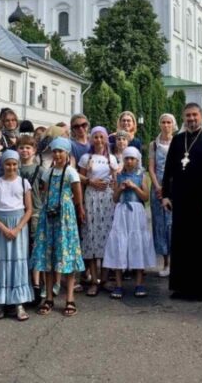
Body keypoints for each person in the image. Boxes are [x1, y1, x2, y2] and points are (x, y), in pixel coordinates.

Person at [161, 103, 202, 300]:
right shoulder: (178, 140)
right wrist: (165, 195)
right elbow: (168, 170)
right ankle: (182, 286)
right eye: (188, 116)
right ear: (183, 118)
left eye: (194, 115)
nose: (191, 119)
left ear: (201, 116)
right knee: (182, 243)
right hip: (181, 200)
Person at [31, 137, 86, 317]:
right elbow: (47, 192)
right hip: (49, 217)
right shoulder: (48, 172)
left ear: (67, 153)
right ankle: (48, 297)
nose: (57, 155)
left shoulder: (71, 173)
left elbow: (77, 197)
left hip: (66, 217)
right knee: (49, 257)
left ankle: (70, 298)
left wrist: (79, 212)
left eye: (60, 151)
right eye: (55, 151)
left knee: (66, 255)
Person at [0, 149, 34, 321]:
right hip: (0, 225)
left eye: (14, 164)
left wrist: (18, 228)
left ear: (18, 165)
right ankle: (1, 303)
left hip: (19, 225)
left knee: (18, 261)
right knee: (1, 261)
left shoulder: (24, 183)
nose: (11, 167)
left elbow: (29, 210)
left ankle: (19, 303)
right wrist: (3, 228)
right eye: (7, 164)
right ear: (2, 165)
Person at [104, 147, 156, 298]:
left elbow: (145, 197)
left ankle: (139, 283)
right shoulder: (119, 176)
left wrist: (134, 187)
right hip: (121, 213)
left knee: (137, 244)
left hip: (136, 213)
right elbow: (114, 198)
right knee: (120, 245)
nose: (129, 161)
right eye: (127, 158)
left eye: (132, 158)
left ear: (137, 160)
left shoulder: (141, 176)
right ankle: (119, 285)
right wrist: (120, 189)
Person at [78, 126, 118, 297]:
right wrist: (90, 181)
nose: (99, 140)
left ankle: (105, 278)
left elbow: (115, 181)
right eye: (96, 137)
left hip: (107, 200)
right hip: (91, 198)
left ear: (106, 139)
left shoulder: (112, 158)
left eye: (102, 137)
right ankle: (94, 280)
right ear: (91, 139)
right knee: (92, 238)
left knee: (107, 238)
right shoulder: (86, 158)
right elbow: (78, 177)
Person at [148, 113, 177, 278]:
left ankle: (176, 262)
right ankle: (165, 262)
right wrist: (158, 187)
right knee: (160, 225)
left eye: (169, 122)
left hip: (174, 189)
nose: (166, 125)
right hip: (157, 188)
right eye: (163, 122)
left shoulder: (178, 142)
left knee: (173, 225)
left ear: (173, 125)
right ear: (160, 124)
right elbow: (151, 167)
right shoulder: (154, 144)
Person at [17, 134, 44, 305]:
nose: (25, 150)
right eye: (21, 147)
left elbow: (44, 190)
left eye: (28, 147)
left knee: (35, 249)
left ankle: (36, 284)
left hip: (35, 212)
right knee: (21, 249)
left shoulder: (39, 170)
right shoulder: (15, 168)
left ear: (34, 150)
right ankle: (23, 283)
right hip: (18, 213)